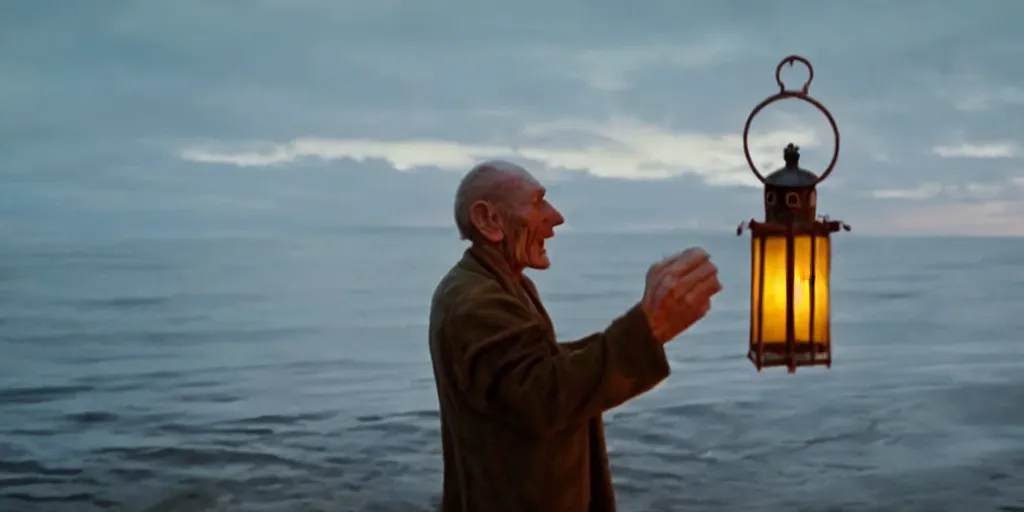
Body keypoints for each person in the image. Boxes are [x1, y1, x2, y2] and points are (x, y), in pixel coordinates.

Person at [427, 160, 723, 512]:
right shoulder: (476, 301)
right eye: (538, 203)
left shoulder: (500, 284)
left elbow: (533, 366)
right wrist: (648, 328)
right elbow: (542, 396)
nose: (556, 218)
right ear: (488, 220)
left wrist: (645, 328)